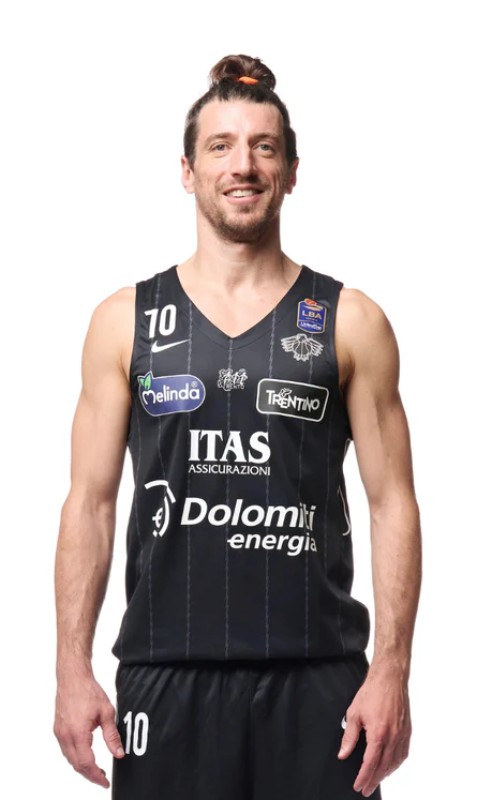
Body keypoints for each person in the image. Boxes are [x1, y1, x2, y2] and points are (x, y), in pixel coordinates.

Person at [53, 54, 421, 799]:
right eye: (220, 146)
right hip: (166, 674)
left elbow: (393, 504)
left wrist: (391, 671)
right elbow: (89, 503)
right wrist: (70, 667)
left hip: (319, 678)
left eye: (263, 147)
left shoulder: (349, 320)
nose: (242, 165)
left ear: (291, 171)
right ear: (187, 171)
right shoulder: (125, 321)